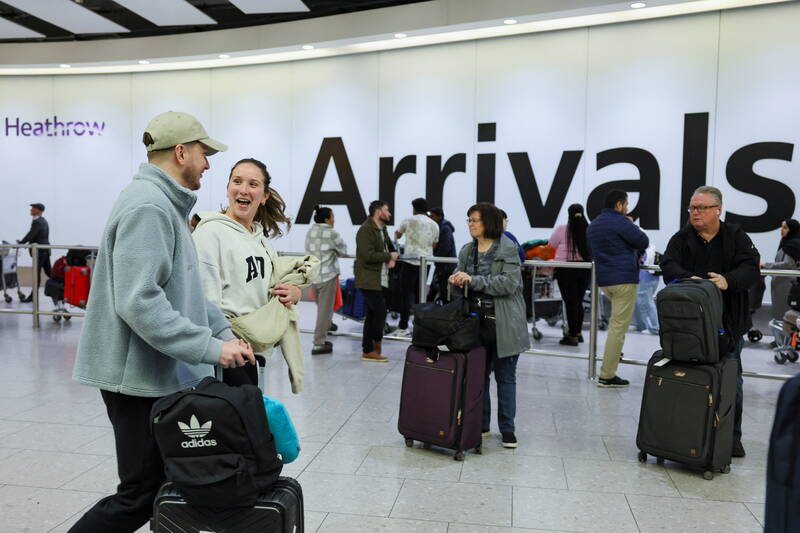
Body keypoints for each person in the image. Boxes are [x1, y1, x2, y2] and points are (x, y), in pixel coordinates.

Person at [70, 111, 255, 533]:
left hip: (153, 375)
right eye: (204, 154)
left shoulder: (167, 206)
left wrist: (225, 334)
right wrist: (210, 348)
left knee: (164, 487)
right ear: (180, 152)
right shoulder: (149, 208)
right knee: (139, 495)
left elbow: (186, 290)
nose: (209, 164)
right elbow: (141, 302)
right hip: (132, 379)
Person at [660, 185, 760, 458]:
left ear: (718, 210)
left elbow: (752, 267)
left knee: (730, 382)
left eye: (701, 208)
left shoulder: (736, 237)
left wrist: (728, 281)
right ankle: (686, 435)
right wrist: (687, 279)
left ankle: (731, 438)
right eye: (692, 208)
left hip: (728, 323)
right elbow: (668, 264)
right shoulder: (682, 238)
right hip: (690, 327)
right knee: (688, 379)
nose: (695, 213)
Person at [193, 157, 301, 386]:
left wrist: (292, 293)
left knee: (249, 418)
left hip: (253, 353)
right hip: (224, 355)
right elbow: (202, 301)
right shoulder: (210, 233)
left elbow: (268, 291)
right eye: (237, 181)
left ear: (264, 196)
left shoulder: (261, 242)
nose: (243, 190)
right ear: (228, 188)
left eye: (253, 184)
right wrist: (222, 345)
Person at [449, 202, 530, 448]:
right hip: (475, 323)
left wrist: (473, 280)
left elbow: (508, 284)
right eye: (469, 220)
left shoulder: (508, 247)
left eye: (475, 220)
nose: (471, 224)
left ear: (489, 222)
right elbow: (460, 278)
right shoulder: (466, 251)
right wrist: (456, 279)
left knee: (506, 377)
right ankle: (480, 425)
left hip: (504, 323)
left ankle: (508, 430)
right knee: (477, 376)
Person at [586, 190, 649, 388]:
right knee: (618, 328)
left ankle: (612, 357)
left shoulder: (594, 225)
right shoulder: (621, 222)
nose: (627, 208)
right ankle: (607, 375)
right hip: (623, 279)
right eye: (626, 204)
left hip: (605, 281)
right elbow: (643, 241)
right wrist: (629, 223)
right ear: (620, 205)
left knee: (616, 325)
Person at [355, 200, 398, 362]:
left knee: (373, 314)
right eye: (387, 210)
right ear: (378, 212)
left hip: (381, 279)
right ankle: (372, 349)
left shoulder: (382, 229)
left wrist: (392, 255)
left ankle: (369, 350)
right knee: (379, 313)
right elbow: (368, 255)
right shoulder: (365, 230)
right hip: (369, 280)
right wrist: (389, 257)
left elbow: (388, 247)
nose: (390, 214)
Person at [305, 205, 347, 355]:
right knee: (324, 310)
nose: (334, 220)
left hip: (314, 276)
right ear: (327, 219)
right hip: (328, 276)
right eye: (333, 217)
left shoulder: (311, 231)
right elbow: (343, 251)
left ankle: (328, 325)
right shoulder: (331, 233)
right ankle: (318, 343)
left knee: (322, 308)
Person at [394, 197, 439, 336]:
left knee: (406, 294)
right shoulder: (434, 224)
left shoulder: (408, 220)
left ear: (414, 208)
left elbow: (397, 235)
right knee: (421, 295)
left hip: (409, 261)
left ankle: (403, 326)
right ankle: (420, 327)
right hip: (425, 262)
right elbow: (434, 244)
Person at [549, 203, 591, 346]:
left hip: (566, 269)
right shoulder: (588, 230)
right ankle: (578, 333)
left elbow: (552, 244)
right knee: (578, 301)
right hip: (584, 269)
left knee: (570, 302)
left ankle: (572, 336)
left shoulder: (562, 229)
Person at [761, 219, 800, 323]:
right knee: (779, 313)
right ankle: (779, 338)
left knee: (784, 314)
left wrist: (766, 265)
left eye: (785, 227)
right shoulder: (787, 243)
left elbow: (788, 264)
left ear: (792, 230)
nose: (781, 230)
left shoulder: (793, 245)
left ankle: (785, 339)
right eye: (781, 227)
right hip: (780, 283)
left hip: (785, 285)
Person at [17, 202, 51, 302]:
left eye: (34, 208)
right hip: (44, 250)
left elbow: (32, 234)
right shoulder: (42, 220)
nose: (31, 210)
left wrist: (22, 242)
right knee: (49, 272)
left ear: (40, 211)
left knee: (37, 274)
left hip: (40, 252)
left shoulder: (38, 222)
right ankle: (63, 287)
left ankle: (33, 296)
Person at [427, 207, 456, 304]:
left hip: (445, 265)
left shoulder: (444, 228)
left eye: (432, 216)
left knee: (443, 290)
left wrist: (436, 255)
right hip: (443, 264)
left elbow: (445, 247)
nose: (430, 218)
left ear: (439, 216)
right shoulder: (442, 227)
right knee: (438, 289)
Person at [633, 243, 660, 335]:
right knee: (641, 302)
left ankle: (654, 328)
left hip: (646, 276)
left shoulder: (641, 247)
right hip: (649, 276)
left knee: (646, 302)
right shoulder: (648, 247)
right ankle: (642, 325)